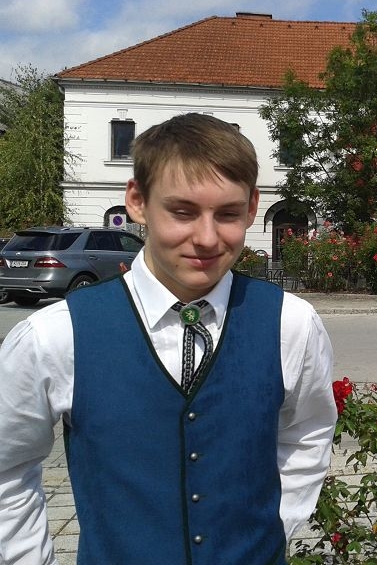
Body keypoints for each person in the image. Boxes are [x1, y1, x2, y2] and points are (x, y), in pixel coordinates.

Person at [0, 113, 337, 564]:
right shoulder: (56, 334)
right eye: (182, 212)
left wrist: (274, 524)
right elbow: (7, 468)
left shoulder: (290, 323)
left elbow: (308, 431)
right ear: (137, 201)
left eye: (228, 214)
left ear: (252, 207)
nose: (207, 238)